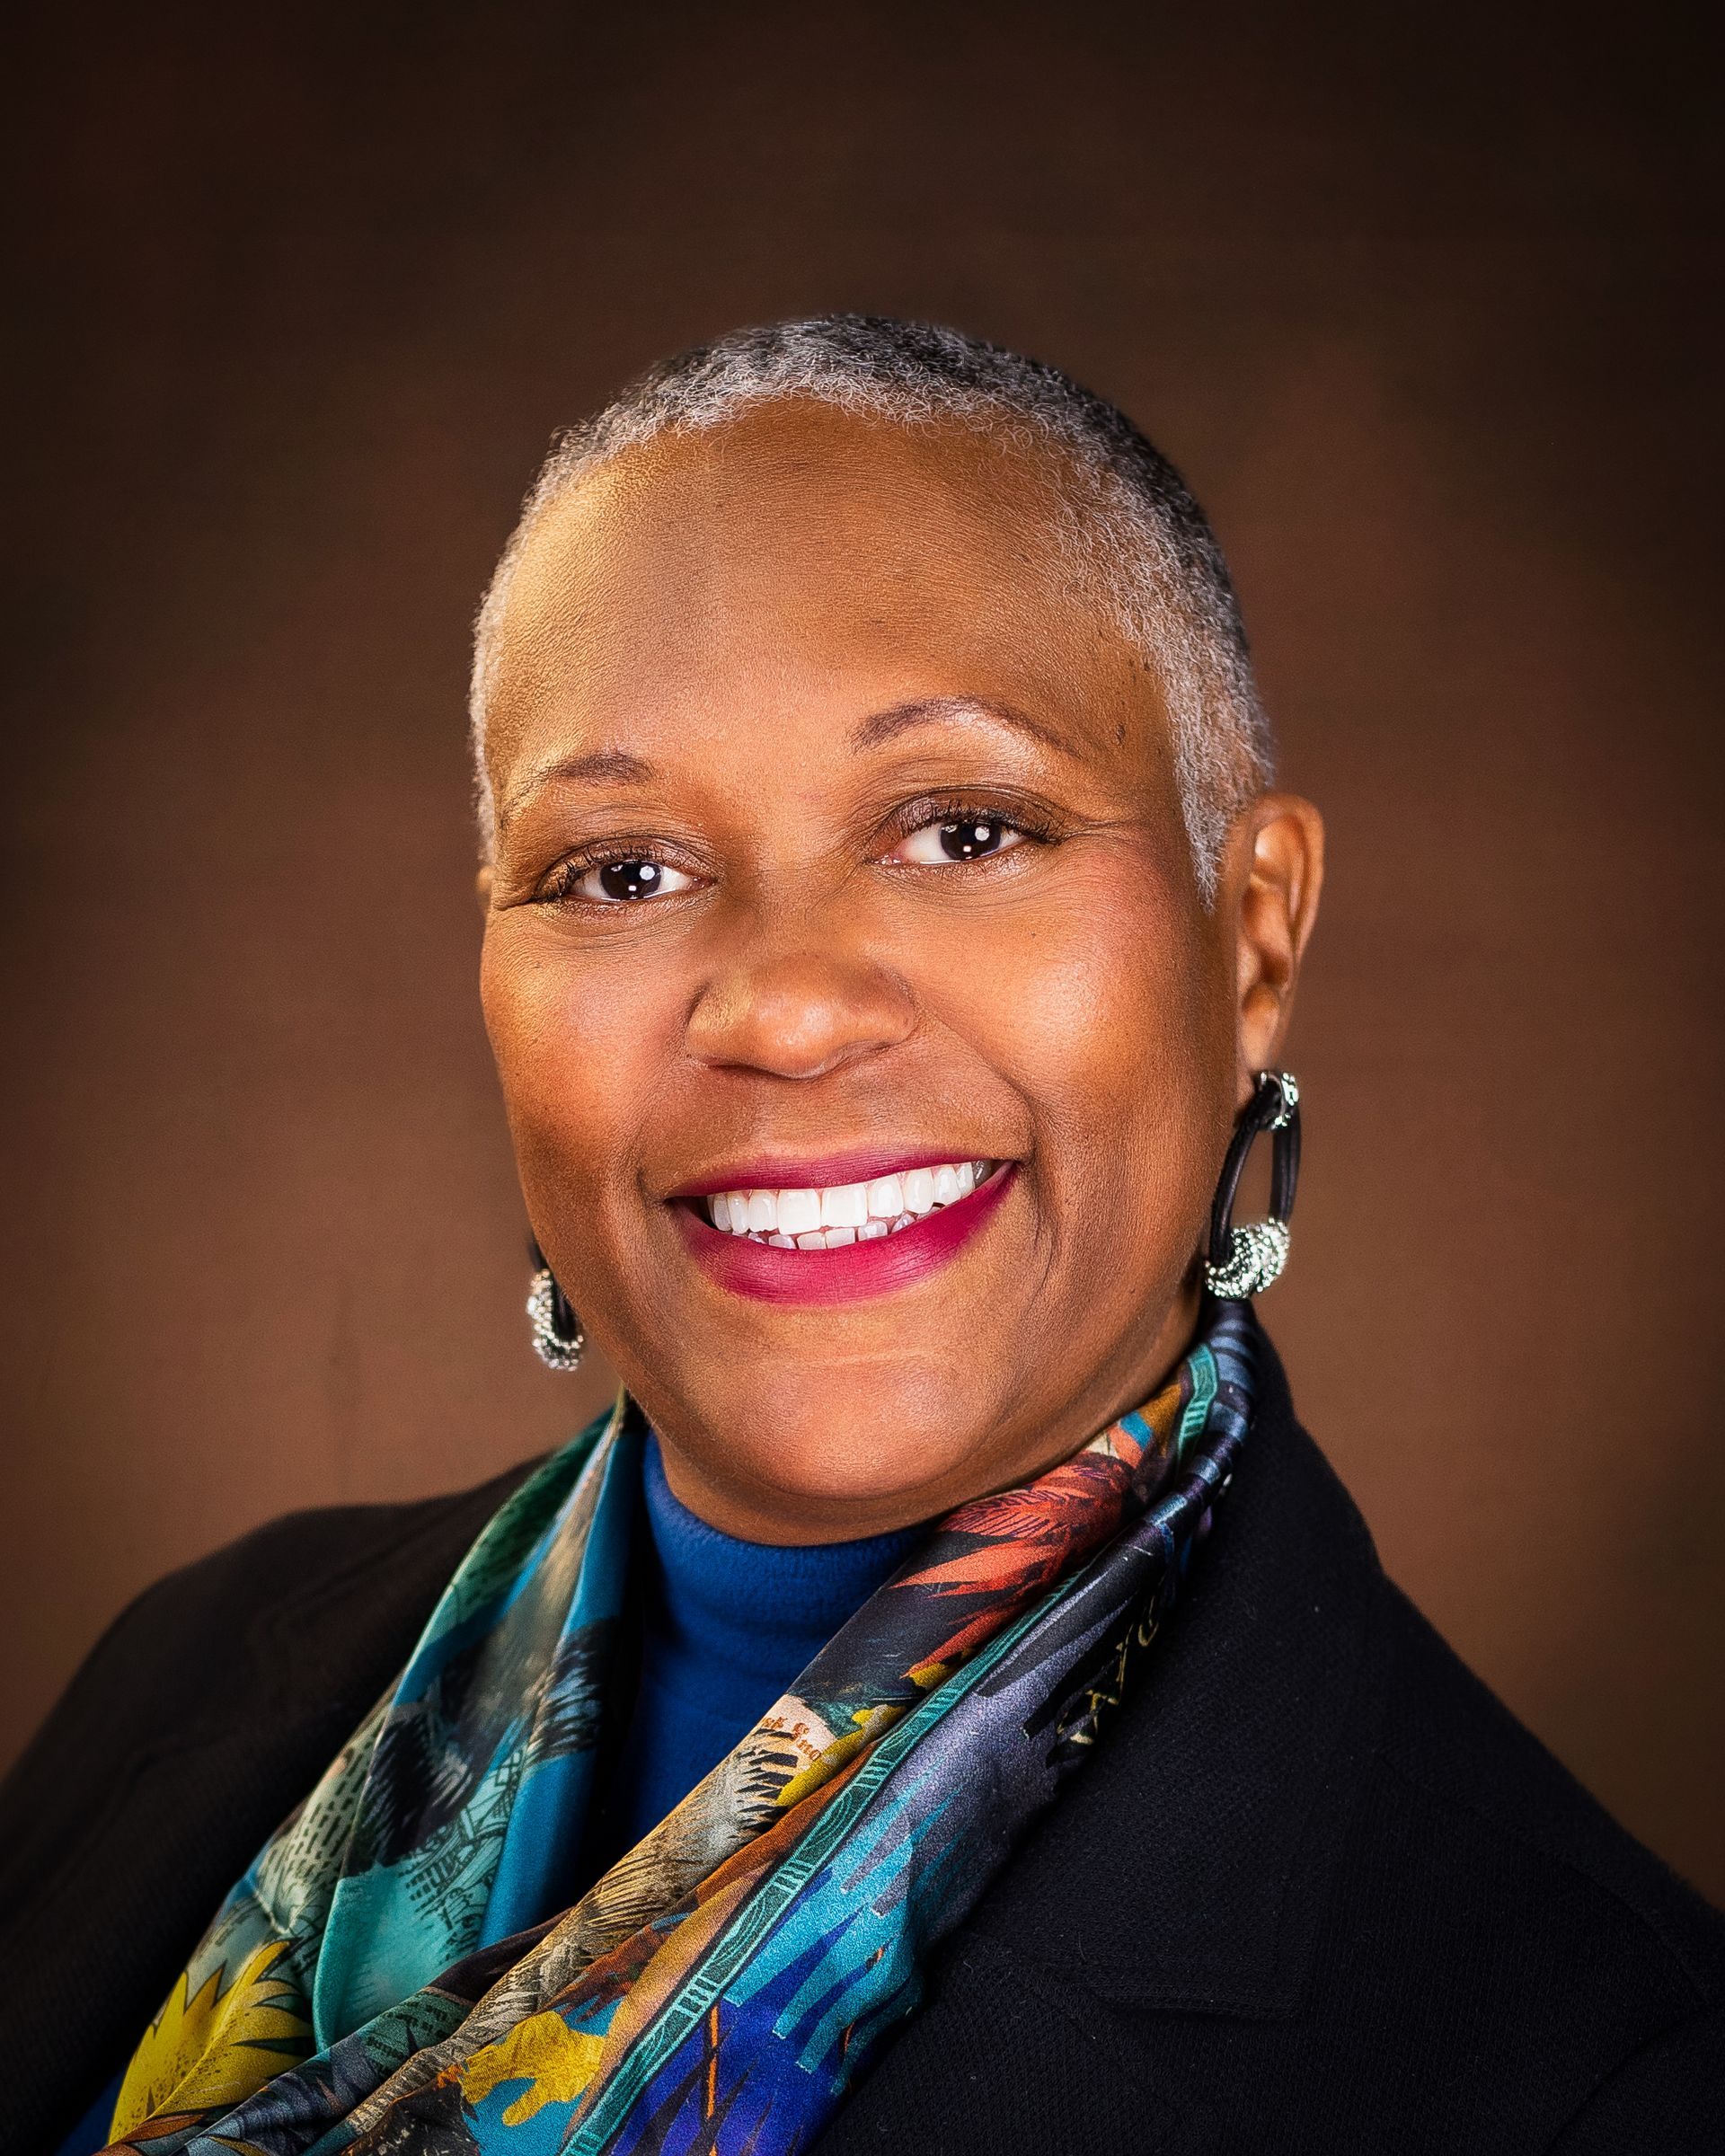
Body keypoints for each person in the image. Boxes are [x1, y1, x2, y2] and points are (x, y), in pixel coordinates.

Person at [5, 317, 1721, 2156]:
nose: (789, 1009)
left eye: (968, 829)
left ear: (1254, 936)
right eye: (621, 872)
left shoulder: (1602, 2075)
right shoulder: (193, 1669)